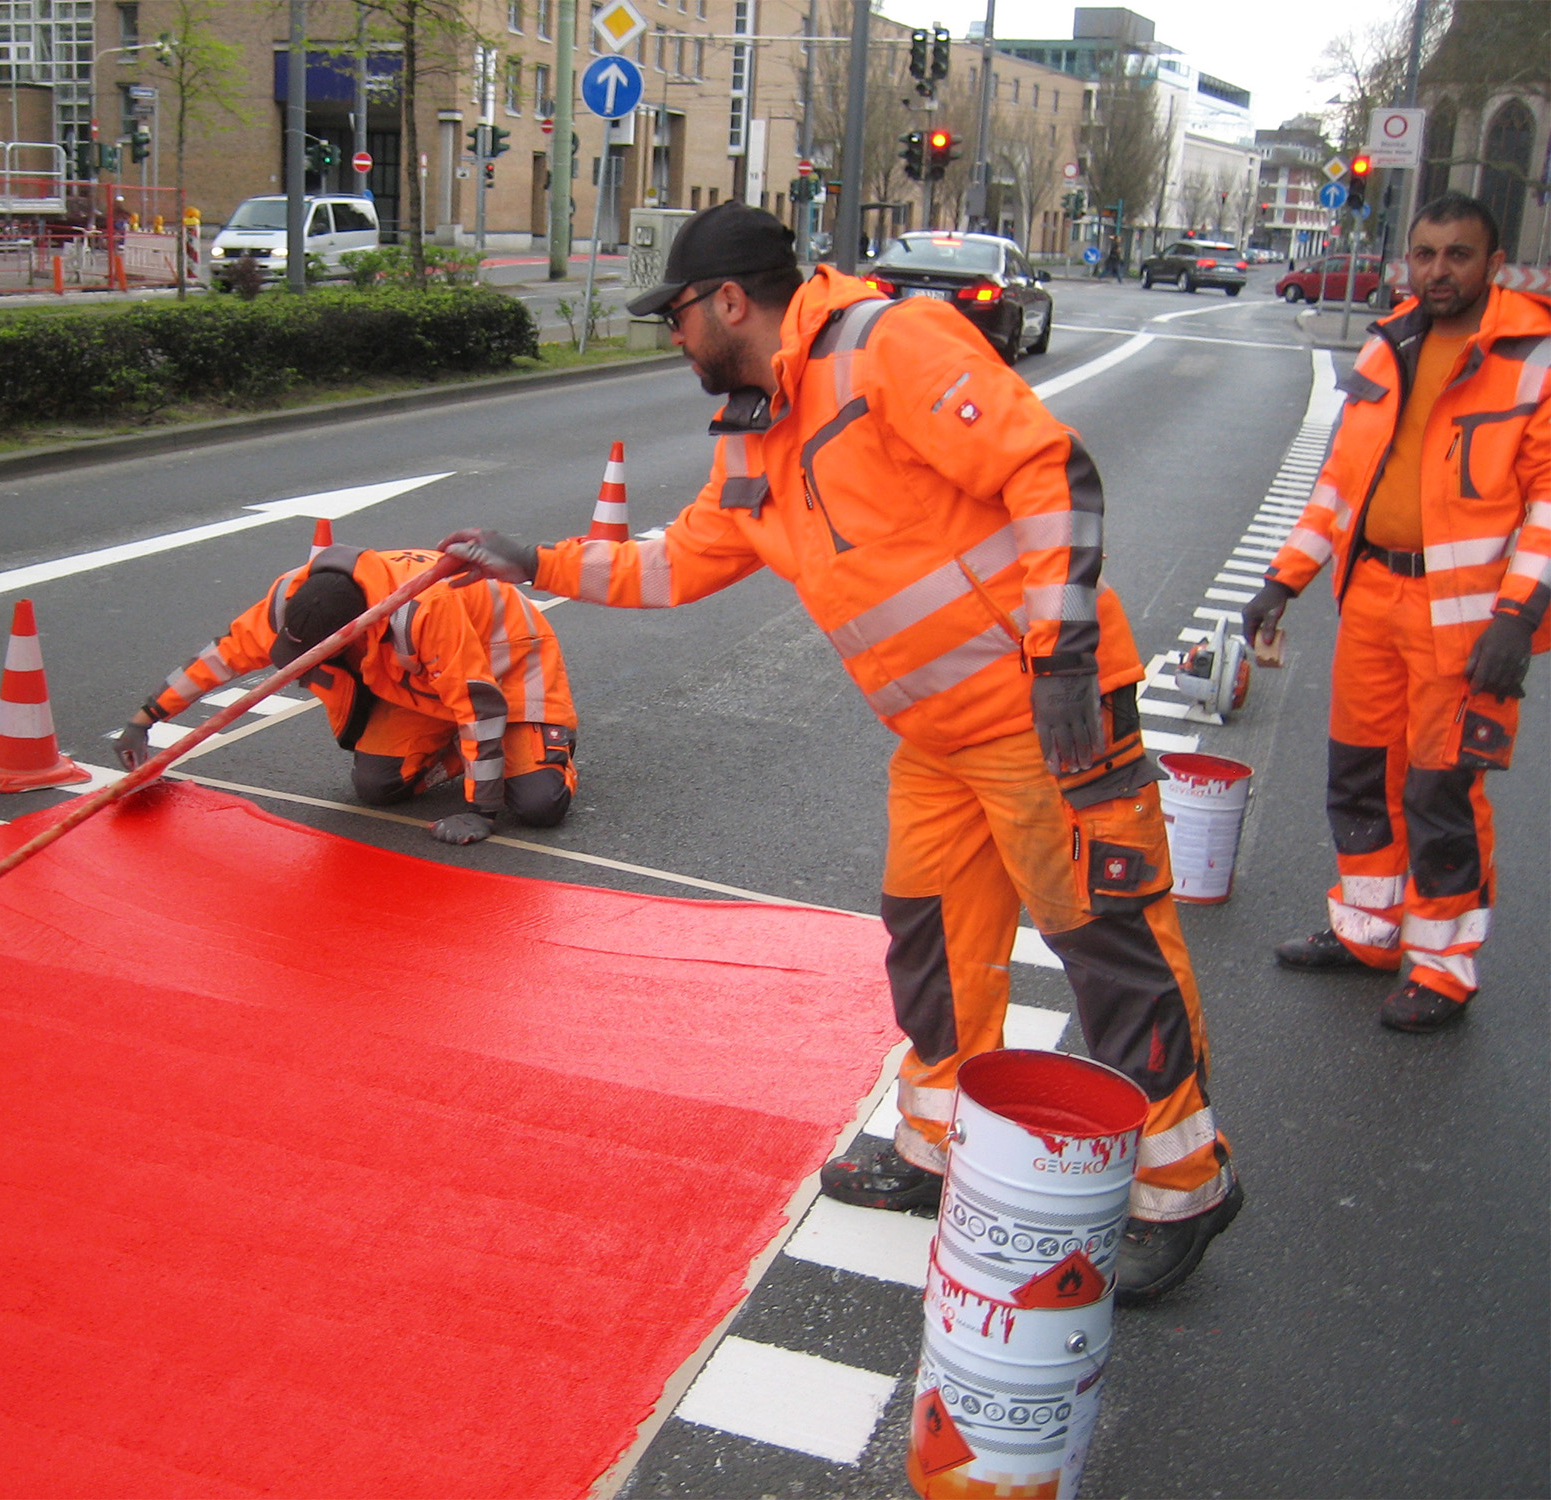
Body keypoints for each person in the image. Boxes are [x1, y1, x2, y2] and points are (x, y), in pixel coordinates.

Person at [441, 202, 1241, 1303]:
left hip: (1038, 714)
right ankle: (932, 1142)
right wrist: (534, 559)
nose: (670, 338)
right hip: (936, 741)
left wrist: (1059, 659)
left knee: (1105, 949)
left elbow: (1050, 474)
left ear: (729, 301)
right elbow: (683, 560)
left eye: (674, 315)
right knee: (929, 942)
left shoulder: (889, 346)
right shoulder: (754, 423)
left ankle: (1182, 1185)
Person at [1243, 193, 1548, 1032]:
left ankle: (1445, 969)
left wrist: (1517, 619)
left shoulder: (1533, 356)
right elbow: (1339, 485)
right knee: (1360, 777)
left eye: (1457, 254)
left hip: (1465, 618)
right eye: (1425, 254)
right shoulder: (1390, 345)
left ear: (1494, 263)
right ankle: (1372, 932)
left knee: (1441, 793)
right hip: (1373, 596)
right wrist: (1283, 580)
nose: (1438, 270)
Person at [114, 544, 579, 845]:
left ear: (354, 637)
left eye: (315, 663)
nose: (302, 676)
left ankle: (544, 750)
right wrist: (145, 719)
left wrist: (481, 810)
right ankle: (465, 753)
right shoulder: (293, 601)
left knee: (537, 805)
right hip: (424, 686)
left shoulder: (422, 611)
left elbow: (479, 706)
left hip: (507, 670)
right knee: (378, 787)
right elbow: (222, 658)